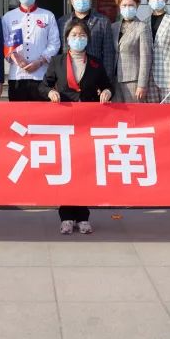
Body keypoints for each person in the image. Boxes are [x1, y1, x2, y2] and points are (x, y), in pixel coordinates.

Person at [46, 19, 113, 235]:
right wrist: (50, 92)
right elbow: (44, 84)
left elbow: (107, 85)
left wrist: (107, 92)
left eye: (82, 35)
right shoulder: (57, 61)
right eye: (74, 35)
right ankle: (66, 216)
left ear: (88, 39)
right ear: (67, 38)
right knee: (67, 168)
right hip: (65, 121)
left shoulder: (95, 63)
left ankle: (83, 216)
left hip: (87, 122)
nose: (78, 39)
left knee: (84, 168)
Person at [2, 0, 60, 101]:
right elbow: (5, 43)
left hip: (42, 76)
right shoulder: (8, 17)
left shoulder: (48, 16)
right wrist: (17, 59)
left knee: (42, 112)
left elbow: (54, 43)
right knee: (18, 112)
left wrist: (40, 61)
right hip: (17, 76)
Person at [57, 0, 115, 79]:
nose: (81, 0)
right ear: (71, 0)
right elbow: (59, 50)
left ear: (90, 0)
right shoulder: (62, 22)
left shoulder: (103, 22)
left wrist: (106, 79)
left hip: (94, 75)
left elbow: (108, 53)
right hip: (69, 75)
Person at [111, 0, 151, 102]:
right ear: (119, 6)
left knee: (134, 111)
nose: (127, 8)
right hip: (114, 79)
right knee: (117, 112)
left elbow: (146, 58)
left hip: (133, 80)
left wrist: (142, 84)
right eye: (124, 5)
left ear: (137, 6)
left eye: (131, 5)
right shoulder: (113, 27)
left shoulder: (142, 27)